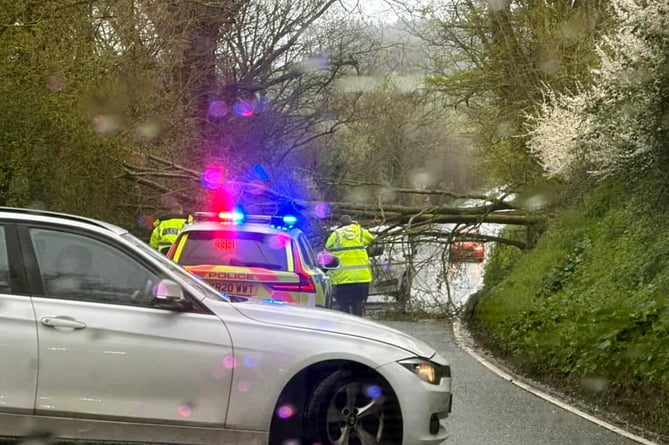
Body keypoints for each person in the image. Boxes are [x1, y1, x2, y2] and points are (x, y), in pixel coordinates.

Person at [325, 214, 375, 316]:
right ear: (352, 222)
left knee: (344, 308)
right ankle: (357, 328)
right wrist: (357, 226)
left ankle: (345, 328)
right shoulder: (359, 231)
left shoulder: (336, 234)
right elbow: (371, 239)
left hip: (343, 279)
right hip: (361, 278)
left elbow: (327, 246)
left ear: (341, 224)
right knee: (358, 305)